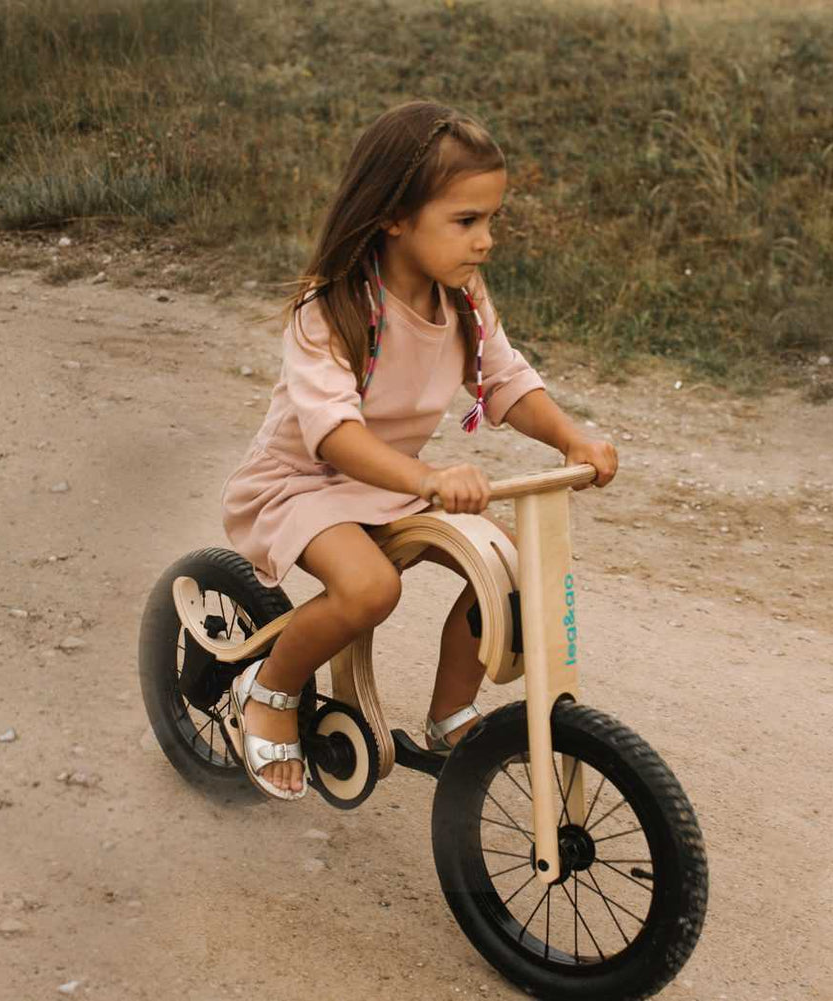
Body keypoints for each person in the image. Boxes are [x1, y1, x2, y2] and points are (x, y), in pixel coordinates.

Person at [220, 100, 618, 801]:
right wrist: (431, 478)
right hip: (302, 483)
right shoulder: (334, 306)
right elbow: (335, 435)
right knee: (371, 588)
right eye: (466, 221)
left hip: (391, 481)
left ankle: (449, 713)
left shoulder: (460, 298)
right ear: (394, 216)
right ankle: (270, 686)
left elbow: (504, 377)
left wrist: (570, 436)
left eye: (492, 219)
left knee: (512, 569)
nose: (486, 240)